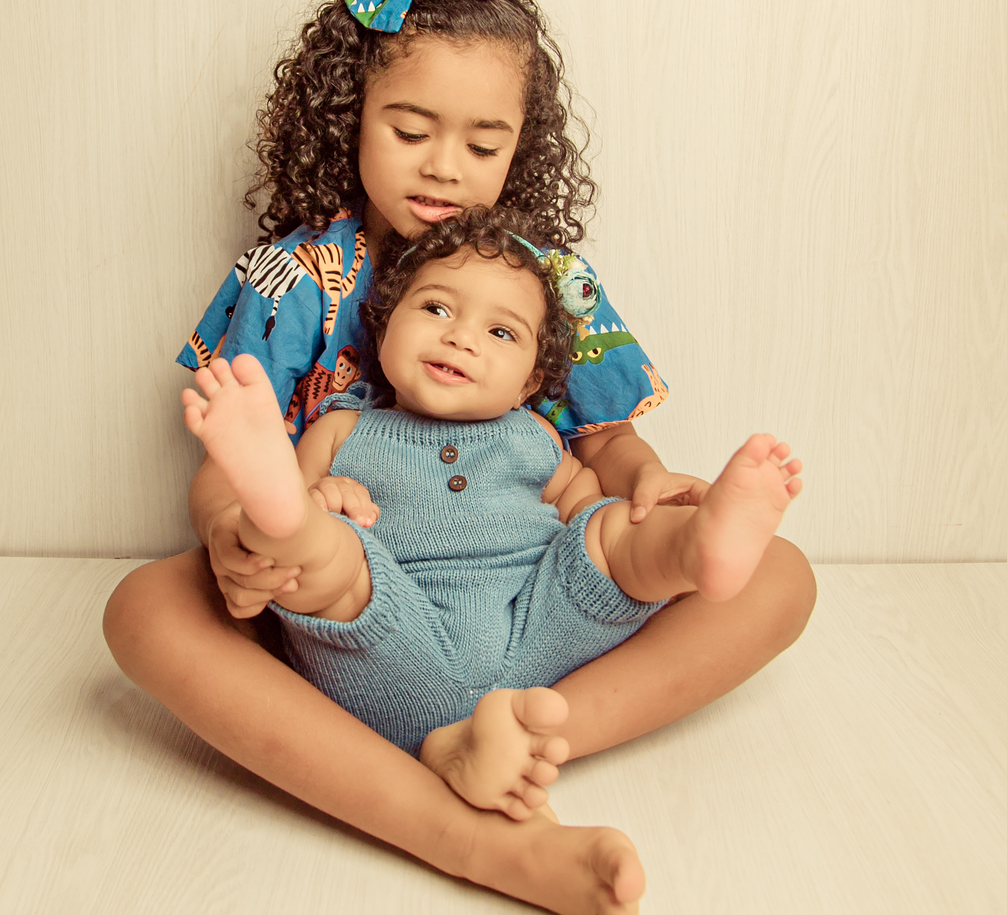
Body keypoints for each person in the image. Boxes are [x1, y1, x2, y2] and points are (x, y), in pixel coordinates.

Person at [103, 0, 816, 915]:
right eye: (409, 129)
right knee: (144, 611)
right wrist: (235, 530)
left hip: (529, 584)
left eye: (484, 143)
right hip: (343, 589)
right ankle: (475, 830)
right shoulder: (299, 272)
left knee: (778, 576)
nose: (444, 167)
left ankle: (526, 735)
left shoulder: (549, 276)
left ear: (521, 150)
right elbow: (229, 452)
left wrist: (646, 489)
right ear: (347, 115)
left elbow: (604, 440)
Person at [179, 210, 804, 808]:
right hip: (393, 640)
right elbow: (321, 508)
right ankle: (273, 502)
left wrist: (634, 522)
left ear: (532, 380)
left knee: (606, 533)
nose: (460, 336)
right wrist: (317, 501)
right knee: (330, 555)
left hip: (543, 636)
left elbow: (582, 511)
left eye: (501, 332)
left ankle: (693, 549)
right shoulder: (342, 430)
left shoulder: (535, 435)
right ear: (385, 325)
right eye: (434, 308)